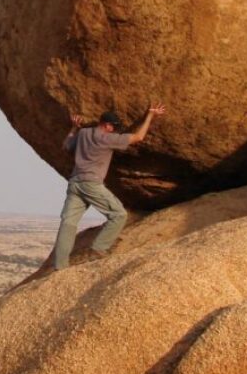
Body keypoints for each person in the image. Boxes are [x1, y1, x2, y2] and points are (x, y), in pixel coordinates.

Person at [52, 103, 167, 270]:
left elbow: (66, 146)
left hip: (75, 183)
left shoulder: (83, 133)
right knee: (119, 214)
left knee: (68, 223)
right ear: (106, 125)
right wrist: (150, 115)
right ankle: (99, 248)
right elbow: (138, 137)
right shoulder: (107, 138)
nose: (114, 130)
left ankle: (60, 266)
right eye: (113, 127)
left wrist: (73, 128)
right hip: (91, 183)